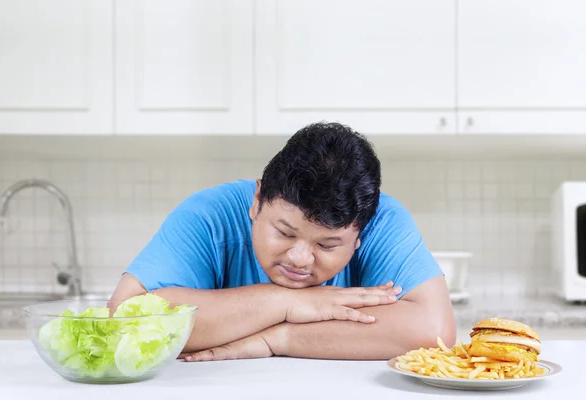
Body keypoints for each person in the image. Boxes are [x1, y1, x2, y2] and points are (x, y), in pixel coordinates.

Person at [109, 121, 456, 362]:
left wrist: (278, 338)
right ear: (257, 200)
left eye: (328, 246)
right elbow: (123, 318)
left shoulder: (384, 219)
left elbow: (433, 330)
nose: (301, 258)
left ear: (360, 234)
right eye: (285, 233)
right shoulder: (209, 214)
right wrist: (284, 303)